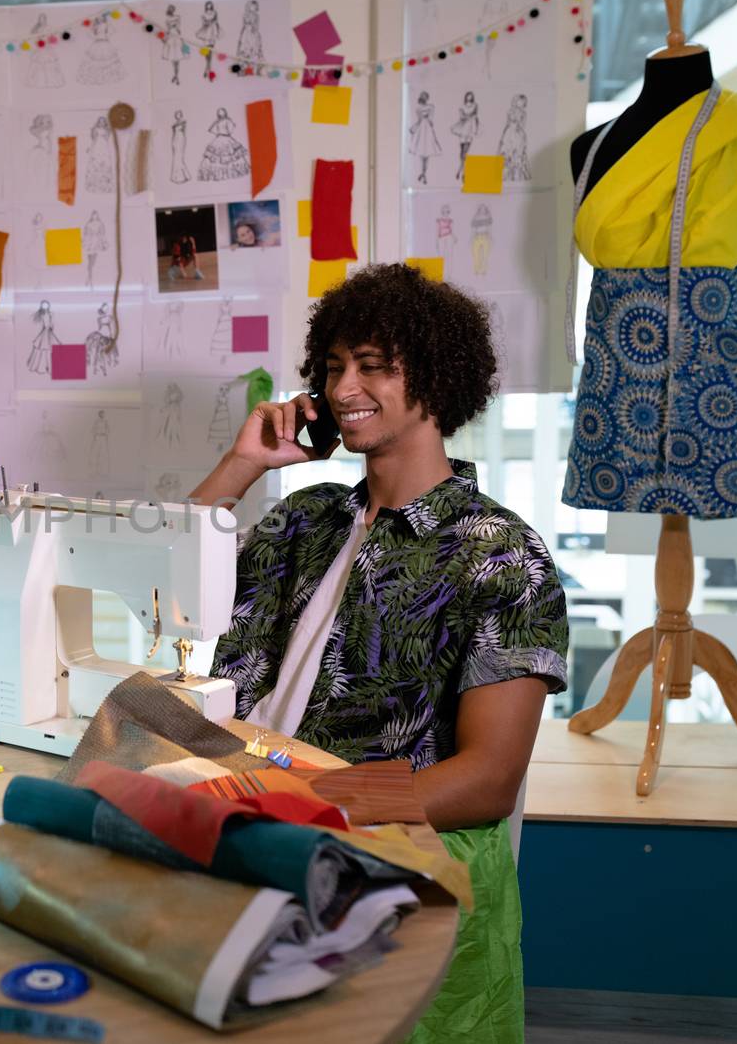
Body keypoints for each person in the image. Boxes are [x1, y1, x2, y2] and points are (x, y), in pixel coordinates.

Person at [193, 263, 567, 1044]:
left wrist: (307, 805)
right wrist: (241, 466)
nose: (342, 387)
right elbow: (164, 582)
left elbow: (490, 778)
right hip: (262, 843)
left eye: (372, 366)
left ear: (433, 378)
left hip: (396, 875)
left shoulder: (502, 555)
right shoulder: (305, 519)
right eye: (332, 368)